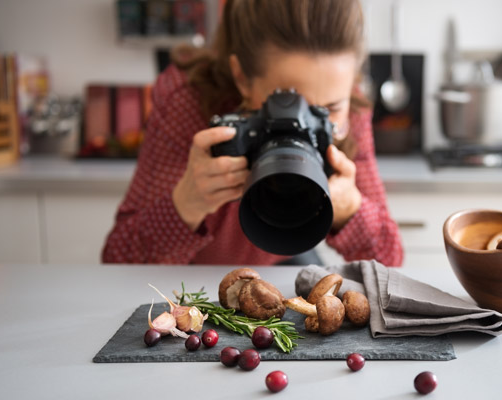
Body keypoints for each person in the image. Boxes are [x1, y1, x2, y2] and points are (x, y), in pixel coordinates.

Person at [102, 0, 403, 266]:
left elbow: (391, 258)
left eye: (329, 108)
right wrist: (186, 204)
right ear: (241, 78)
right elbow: (119, 259)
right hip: (189, 271)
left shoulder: (350, 109)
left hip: (285, 259)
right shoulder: (188, 100)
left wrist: (351, 209)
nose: (303, 123)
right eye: (285, 102)